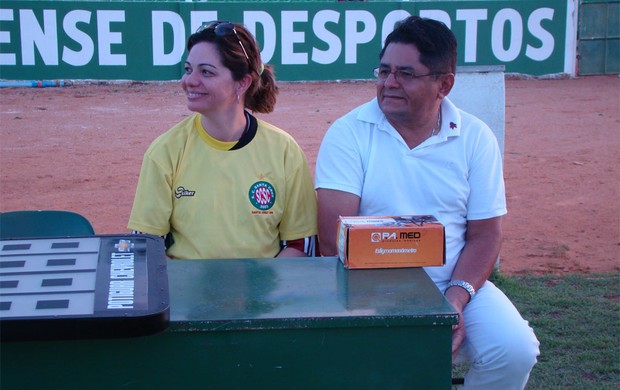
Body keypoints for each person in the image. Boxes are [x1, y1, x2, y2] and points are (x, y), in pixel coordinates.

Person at [315, 16, 539, 389]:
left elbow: (485, 235)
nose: (389, 83)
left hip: (454, 283)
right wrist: (406, 305)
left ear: (444, 84)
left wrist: (455, 299)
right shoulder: (348, 133)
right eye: (384, 70)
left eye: (406, 73)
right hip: (368, 288)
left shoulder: (475, 137)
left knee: (514, 350)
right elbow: (332, 240)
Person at [128, 21, 317, 259]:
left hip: (264, 294)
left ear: (243, 82)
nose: (189, 81)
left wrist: (262, 293)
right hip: (187, 294)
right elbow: (146, 245)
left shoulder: (284, 151)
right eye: (188, 69)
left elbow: (300, 244)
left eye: (206, 72)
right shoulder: (165, 151)